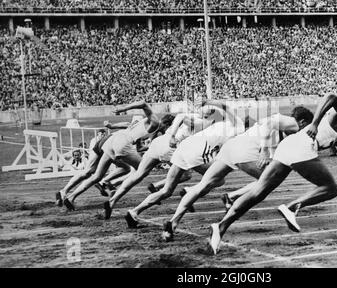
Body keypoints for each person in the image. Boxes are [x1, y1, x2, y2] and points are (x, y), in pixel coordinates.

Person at [209, 91, 337, 254]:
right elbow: (331, 97)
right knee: (331, 188)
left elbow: (331, 137)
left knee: (258, 192)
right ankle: (291, 208)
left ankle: (221, 227)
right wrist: (314, 123)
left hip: (289, 145)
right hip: (303, 147)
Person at [161, 106, 314, 240]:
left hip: (231, 147)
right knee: (266, 181)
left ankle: (173, 221)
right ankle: (232, 197)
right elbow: (270, 124)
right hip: (245, 151)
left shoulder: (282, 126)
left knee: (203, 185)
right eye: (306, 126)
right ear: (303, 122)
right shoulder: (293, 123)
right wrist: (264, 151)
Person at [123, 101, 245, 235]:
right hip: (196, 152)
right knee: (216, 180)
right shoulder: (238, 127)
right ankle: (175, 218)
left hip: (183, 147)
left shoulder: (218, 125)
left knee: (166, 190)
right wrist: (208, 102)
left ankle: (134, 212)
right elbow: (225, 108)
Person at [103, 104, 220, 219]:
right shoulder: (204, 122)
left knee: (138, 174)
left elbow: (180, 117)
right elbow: (183, 119)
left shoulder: (194, 116)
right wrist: (173, 137)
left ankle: (112, 201)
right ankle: (187, 192)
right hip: (172, 148)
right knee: (182, 180)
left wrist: (172, 135)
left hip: (159, 142)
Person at [63, 100, 174, 211]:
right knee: (141, 171)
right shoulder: (154, 121)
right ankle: (113, 188)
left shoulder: (149, 128)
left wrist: (151, 148)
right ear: (167, 124)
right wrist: (122, 109)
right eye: (169, 128)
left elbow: (139, 147)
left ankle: (71, 197)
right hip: (123, 143)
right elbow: (143, 103)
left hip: (114, 140)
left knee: (97, 176)